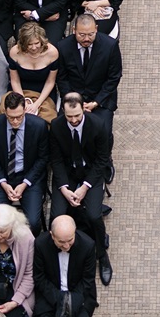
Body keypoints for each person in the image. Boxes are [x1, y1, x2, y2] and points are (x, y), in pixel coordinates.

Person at [48, 94, 113, 286]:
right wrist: (65, 189)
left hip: (90, 174)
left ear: (83, 109)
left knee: (94, 216)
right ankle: (58, 257)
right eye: (70, 117)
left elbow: (102, 160)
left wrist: (85, 187)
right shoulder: (56, 126)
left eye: (77, 116)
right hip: (66, 176)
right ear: (63, 112)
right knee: (57, 216)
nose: (74, 120)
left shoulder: (98, 125)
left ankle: (102, 255)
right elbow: (56, 160)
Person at [0, 91, 48, 232]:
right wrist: (3, 182)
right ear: (5, 112)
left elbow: (43, 158)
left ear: (25, 110)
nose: (15, 121)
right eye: (11, 117)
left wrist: (25, 183)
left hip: (29, 177)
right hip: (3, 176)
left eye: (19, 117)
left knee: (32, 222)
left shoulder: (39, 126)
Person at [56, 14, 122, 137]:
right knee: (62, 131)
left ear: (96, 29)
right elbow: (62, 78)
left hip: (101, 99)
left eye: (91, 34)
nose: (86, 38)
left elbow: (114, 77)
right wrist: (74, 100)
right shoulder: (63, 47)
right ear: (74, 30)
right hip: (73, 98)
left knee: (104, 132)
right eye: (82, 35)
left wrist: (96, 102)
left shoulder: (110, 46)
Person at [35, 215, 99, 317]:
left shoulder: (88, 245)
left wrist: (70, 302)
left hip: (78, 294)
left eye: (70, 240)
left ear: (75, 232)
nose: (66, 246)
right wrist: (60, 301)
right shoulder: (40, 244)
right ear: (52, 235)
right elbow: (39, 277)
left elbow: (87, 279)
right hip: (50, 295)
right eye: (61, 242)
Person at [8, 21, 61, 123]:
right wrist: (23, 102)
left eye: (36, 43)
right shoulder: (15, 52)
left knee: (46, 120)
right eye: (29, 44)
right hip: (20, 90)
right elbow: (15, 81)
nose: (33, 48)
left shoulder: (52, 53)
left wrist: (36, 104)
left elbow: (51, 82)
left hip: (43, 93)